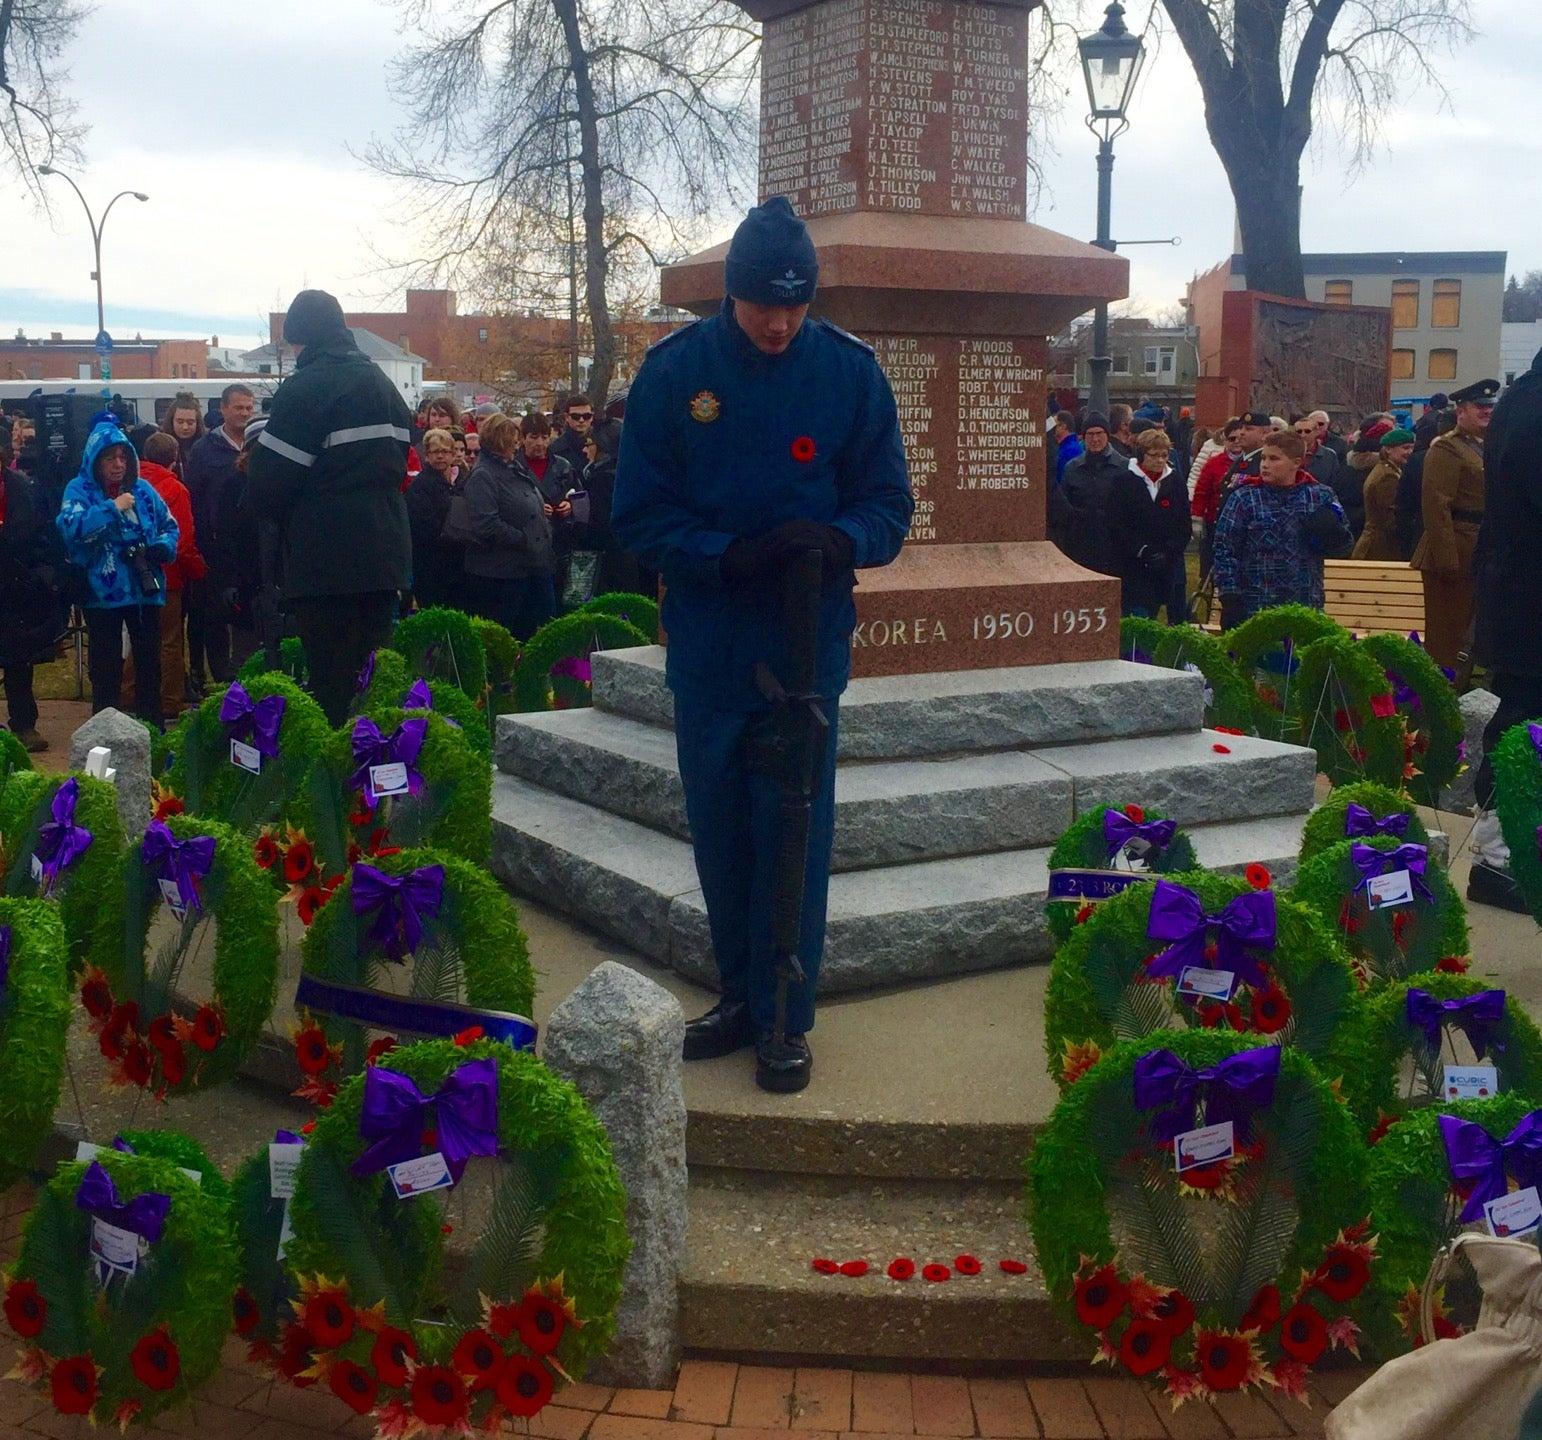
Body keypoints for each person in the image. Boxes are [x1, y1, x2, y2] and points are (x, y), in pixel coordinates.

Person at [612, 194, 912, 1094]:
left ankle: (785, 1016)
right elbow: (639, 515)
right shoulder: (676, 374)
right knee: (720, 832)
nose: (780, 324)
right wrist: (726, 554)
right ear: (731, 295)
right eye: (762, 306)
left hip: (803, 643)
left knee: (793, 833)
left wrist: (838, 541)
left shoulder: (850, 373)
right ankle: (739, 994)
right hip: (712, 639)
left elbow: (888, 506)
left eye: (795, 305)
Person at [247, 289, 414, 726]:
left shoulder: (306, 387)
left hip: (327, 562)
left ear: (302, 337)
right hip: (385, 556)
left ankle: (340, 766)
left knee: (334, 688)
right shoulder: (383, 385)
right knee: (375, 681)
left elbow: (268, 482)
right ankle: (380, 762)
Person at [1470, 351, 1542, 912]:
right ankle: (1497, 858)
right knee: (1522, 721)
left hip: (1521, 590)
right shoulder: (1533, 407)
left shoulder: (1523, 399)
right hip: (1530, 594)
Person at [55, 418, 179, 726]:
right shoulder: (79, 490)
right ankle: (104, 730)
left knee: (149, 665)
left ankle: (151, 729)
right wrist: (113, 507)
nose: (118, 464)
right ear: (95, 460)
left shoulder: (143, 490)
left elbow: (169, 525)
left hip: (144, 592)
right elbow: (71, 529)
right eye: (110, 458)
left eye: (123, 457)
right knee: (106, 668)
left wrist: (161, 548)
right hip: (101, 596)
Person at [1212, 428, 1353, 627]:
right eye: (1263, 458)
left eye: (1274, 459)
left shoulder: (1319, 496)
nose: (1265, 465)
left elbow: (1344, 546)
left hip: (1304, 605)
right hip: (1255, 605)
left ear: (1296, 462)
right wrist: (1230, 596)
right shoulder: (1245, 497)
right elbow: (1224, 548)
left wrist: (1333, 534)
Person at [1411, 378, 1498, 670]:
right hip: (1453, 553)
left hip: (1479, 550)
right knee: (1447, 638)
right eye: (1479, 406)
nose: (1487, 411)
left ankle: (1460, 688)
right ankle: (1441, 692)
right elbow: (1436, 506)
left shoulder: (1484, 447)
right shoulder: (1448, 448)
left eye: (1490, 406)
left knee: (1471, 637)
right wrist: (1448, 560)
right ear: (1461, 411)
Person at [122, 432, 205, 721]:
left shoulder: (131, 485)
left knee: (141, 637)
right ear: (175, 458)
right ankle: (170, 699)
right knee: (170, 639)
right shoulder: (175, 488)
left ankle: (128, 692)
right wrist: (199, 570)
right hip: (168, 574)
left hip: (134, 573)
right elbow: (182, 540)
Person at [461, 411, 557, 639]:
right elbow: (486, 523)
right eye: (512, 440)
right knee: (508, 633)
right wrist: (523, 539)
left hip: (528, 564)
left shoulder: (512, 467)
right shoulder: (484, 475)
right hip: (501, 572)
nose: (517, 445)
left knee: (537, 627)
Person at [184, 383, 255, 689]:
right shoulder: (205, 450)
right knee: (213, 614)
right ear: (224, 409)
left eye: (249, 408)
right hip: (214, 546)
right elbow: (194, 498)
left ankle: (245, 674)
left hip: (250, 546)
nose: (244, 413)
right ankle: (219, 675)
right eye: (239, 407)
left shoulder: (258, 443)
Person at [0, 433, 63, 752]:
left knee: (18, 660)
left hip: (16, 585)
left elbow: (43, 535)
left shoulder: (23, 488)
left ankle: (24, 724)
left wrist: (42, 575)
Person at [1107, 428, 1191, 619]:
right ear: (1141, 454)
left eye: (1164, 455)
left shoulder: (1175, 482)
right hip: (1132, 566)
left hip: (1165, 566)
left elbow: (1184, 525)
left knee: (1161, 615)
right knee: (1136, 618)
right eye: (1154, 455)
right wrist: (1142, 550)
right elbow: (1116, 523)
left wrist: (1168, 552)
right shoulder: (1123, 482)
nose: (1160, 460)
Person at [405, 426, 467, 610]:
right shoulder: (420, 486)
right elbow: (422, 526)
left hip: (456, 563)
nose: (440, 456)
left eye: (445, 451)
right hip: (431, 564)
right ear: (427, 455)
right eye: (435, 452)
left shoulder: (460, 481)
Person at [1056, 412, 1123, 577]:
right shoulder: (1072, 468)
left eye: (1099, 433)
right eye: (1090, 434)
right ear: (1083, 437)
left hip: (1114, 545)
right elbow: (1064, 505)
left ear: (1107, 435)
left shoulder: (1124, 467)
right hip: (1080, 544)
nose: (1095, 439)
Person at [1397, 407, 1455, 559]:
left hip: (1422, 538)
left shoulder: (1417, 460)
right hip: (1452, 537)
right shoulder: (1477, 458)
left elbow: (1404, 507)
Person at [1353, 428, 1415, 561]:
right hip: (1379, 547)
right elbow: (1389, 515)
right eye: (1405, 448)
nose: (1409, 452)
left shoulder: (1386, 469)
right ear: (1388, 449)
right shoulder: (1388, 476)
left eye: (1411, 448)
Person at [159, 392, 205, 475]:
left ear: (197, 423)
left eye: (190, 423)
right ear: (171, 421)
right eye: (180, 422)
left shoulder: (207, 448)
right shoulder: (160, 447)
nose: (185, 427)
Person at [548, 393, 595, 473]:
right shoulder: (556, 448)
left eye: (587, 416)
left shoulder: (602, 444)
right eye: (575, 416)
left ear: (592, 417)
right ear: (567, 417)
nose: (581, 420)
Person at [1051, 410, 1082, 485]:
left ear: (1063, 426)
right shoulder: (1073, 446)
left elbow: (1061, 479)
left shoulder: (1069, 450)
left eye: (1053, 426)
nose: (1051, 430)